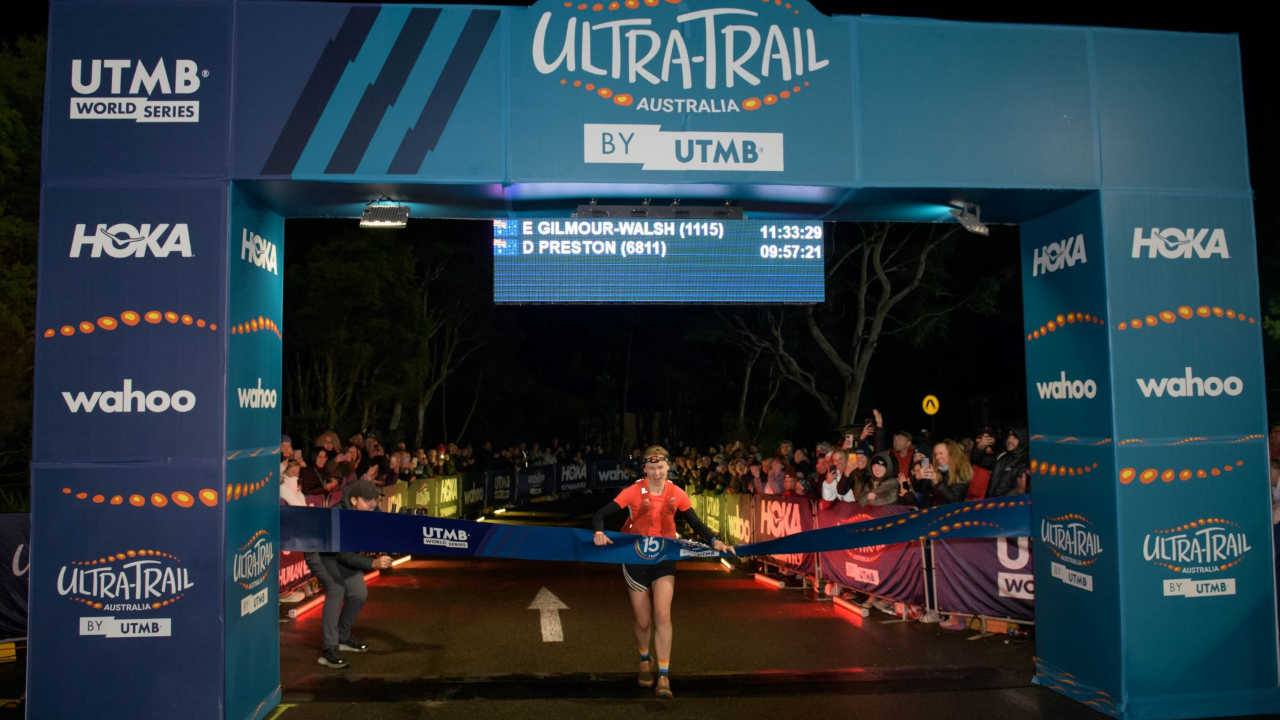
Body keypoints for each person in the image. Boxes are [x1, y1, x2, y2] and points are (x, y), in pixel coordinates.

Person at [592, 446, 733, 699]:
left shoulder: (676, 492)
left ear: (668, 467)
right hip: (634, 558)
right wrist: (599, 532)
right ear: (644, 468)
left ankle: (664, 676)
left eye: (661, 468)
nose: (657, 473)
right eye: (652, 468)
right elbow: (601, 514)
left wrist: (714, 541)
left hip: (664, 558)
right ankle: (645, 660)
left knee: (662, 615)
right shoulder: (634, 491)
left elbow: (695, 522)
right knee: (644, 620)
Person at [304, 479, 394, 669]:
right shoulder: (339, 515)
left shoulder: (370, 512)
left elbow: (383, 530)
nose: (373, 504)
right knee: (336, 588)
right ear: (353, 500)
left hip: (338, 552)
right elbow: (342, 555)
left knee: (359, 592)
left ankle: (342, 638)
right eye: (367, 500)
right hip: (319, 551)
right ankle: (329, 649)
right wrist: (372, 563)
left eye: (375, 500)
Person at [985, 428, 1029, 498]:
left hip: (1006, 506)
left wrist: (996, 502)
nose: (1009, 441)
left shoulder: (1024, 464)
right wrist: (979, 447)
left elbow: (1017, 490)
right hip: (990, 504)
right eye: (1008, 437)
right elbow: (981, 461)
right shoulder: (1002, 455)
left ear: (1022, 441)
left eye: (1014, 438)